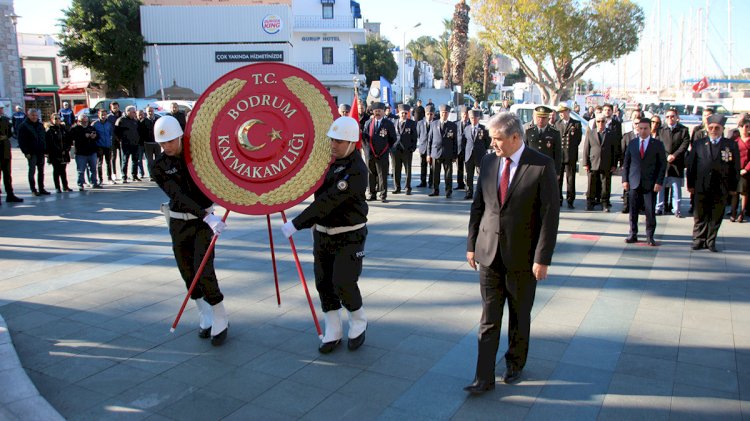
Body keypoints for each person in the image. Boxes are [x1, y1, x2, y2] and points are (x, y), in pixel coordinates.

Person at [464, 112, 560, 393]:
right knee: (489, 318)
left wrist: (542, 259)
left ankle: (515, 363)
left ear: (516, 137)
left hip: (523, 257)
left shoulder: (541, 165)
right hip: (489, 254)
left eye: (498, 139)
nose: (493, 144)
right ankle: (483, 377)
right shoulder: (489, 160)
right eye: (491, 138)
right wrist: (471, 245)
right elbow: (478, 206)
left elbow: (549, 217)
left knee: (519, 316)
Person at [281, 116, 369, 353]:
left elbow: (328, 202)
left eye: (339, 141)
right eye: (332, 140)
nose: (334, 145)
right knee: (323, 283)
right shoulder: (326, 162)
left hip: (349, 235)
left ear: (351, 142)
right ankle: (333, 328)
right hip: (322, 234)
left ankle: (358, 320)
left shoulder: (357, 171)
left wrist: (296, 223)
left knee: (344, 281)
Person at [152, 115, 229, 346]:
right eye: (162, 144)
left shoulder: (198, 155)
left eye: (171, 142)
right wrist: (205, 215)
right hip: (179, 221)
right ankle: (204, 313)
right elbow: (177, 195)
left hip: (203, 223)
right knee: (187, 270)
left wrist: (210, 214)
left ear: (180, 137)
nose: (167, 147)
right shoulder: (159, 165)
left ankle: (220, 315)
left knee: (203, 269)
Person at [687, 114, 739, 252]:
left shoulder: (730, 145)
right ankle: (698, 240)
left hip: (721, 187)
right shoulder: (699, 144)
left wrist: (734, 187)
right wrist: (690, 184)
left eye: (717, 127)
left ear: (722, 129)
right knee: (700, 215)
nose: (714, 130)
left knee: (716, 215)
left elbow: (735, 167)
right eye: (711, 127)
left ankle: (711, 241)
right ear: (707, 128)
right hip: (701, 185)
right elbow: (691, 165)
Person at [622, 117, 666, 246]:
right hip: (634, 182)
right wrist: (625, 180)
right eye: (640, 128)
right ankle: (633, 233)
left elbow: (662, 165)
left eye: (645, 128)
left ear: (650, 128)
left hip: (650, 183)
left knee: (650, 211)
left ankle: (649, 236)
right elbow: (626, 163)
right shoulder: (633, 143)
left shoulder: (657, 144)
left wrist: (659, 182)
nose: (643, 131)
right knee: (633, 210)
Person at [657, 108, 690, 217]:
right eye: (667, 117)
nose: (670, 119)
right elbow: (658, 145)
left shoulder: (683, 130)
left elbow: (685, 144)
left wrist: (674, 155)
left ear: (677, 117)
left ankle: (676, 209)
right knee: (661, 187)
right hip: (663, 162)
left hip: (677, 163)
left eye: (672, 116)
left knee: (676, 187)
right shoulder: (661, 130)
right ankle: (659, 207)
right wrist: (666, 156)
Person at [361, 102, 396, 202]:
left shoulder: (388, 124)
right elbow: (365, 137)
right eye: (376, 111)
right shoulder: (368, 123)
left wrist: (387, 148)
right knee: (371, 174)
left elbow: (392, 138)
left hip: (382, 153)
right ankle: (372, 194)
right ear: (373, 111)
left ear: (383, 112)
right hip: (370, 154)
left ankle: (383, 194)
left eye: (379, 111)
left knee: (382, 174)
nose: (377, 113)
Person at [583, 114, 617, 211]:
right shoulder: (591, 133)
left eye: (602, 121)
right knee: (591, 184)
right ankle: (590, 202)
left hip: (606, 163)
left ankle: (605, 203)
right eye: (598, 121)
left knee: (605, 184)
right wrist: (585, 163)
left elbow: (614, 150)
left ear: (606, 122)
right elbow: (586, 148)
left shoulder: (611, 133)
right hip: (593, 162)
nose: (600, 123)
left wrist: (614, 164)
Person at [427, 104, 458, 198]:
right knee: (435, 173)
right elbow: (430, 140)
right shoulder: (434, 124)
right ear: (440, 113)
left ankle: (448, 191)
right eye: (442, 113)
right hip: (435, 153)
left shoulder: (452, 125)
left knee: (448, 174)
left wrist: (454, 155)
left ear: (448, 114)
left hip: (448, 153)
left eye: (446, 113)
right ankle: (435, 190)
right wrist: (428, 154)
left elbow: (455, 141)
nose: (444, 114)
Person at [17, 109, 50, 196]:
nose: (35, 117)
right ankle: (33, 190)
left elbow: (44, 138)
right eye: (32, 115)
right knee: (32, 171)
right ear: (28, 115)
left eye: (36, 115)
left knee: (41, 171)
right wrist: (26, 152)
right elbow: (21, 141)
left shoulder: (40, 125)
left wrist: (46, 150)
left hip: (40, 151)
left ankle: (41, 188)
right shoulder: (23, 126)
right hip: (31, 152)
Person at [555, 103, 582, 208]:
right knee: (559, 179)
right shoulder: (557, 124)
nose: (561, 114)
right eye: (560, 112)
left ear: (568, 111)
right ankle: (559, 199)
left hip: (570, 154)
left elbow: (578, 139)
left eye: (563, 111)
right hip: (560, 155)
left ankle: (570, 200)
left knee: (570, 179)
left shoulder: (576, 124)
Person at [525, 106, 562, 181]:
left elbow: (558, 154)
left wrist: (557, 172)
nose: (541, 120)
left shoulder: (554, 133)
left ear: (548, 118)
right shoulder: (529, 132)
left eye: (544, 118)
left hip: (547, 169)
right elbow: (524, 152)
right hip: (532, 168)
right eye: (539, 117)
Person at [462, 109, 490, 200]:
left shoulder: (483, 129)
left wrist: (482, 150)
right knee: (468, 175)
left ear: (478, 118)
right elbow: (464, 141)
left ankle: (480, 193)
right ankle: (469, 192)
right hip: (469, 155)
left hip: (480, 155)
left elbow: (487, 142)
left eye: (475, 118)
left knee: (480, 175)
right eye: (471, 118)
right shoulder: (467, 128)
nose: (473, 120)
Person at [391, 104, 417, 195]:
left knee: (408, 170)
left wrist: (413, 148)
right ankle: (397, 187)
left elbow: (414, 136)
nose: (404, 115)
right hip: (395, 150)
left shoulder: (411, 123)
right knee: (396, 169)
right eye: (402, 113)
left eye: (405, 113)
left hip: (407, 150)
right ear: (399, 113)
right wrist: (391, 148)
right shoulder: (394, 122)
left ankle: (408, 188)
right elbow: (391, 136)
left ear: (408, 113)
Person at [70, 114, 100, 191]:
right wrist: (84, 136)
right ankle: (81, 184)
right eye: (82, 121)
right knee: (81, 170)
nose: (84, 123)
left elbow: (97, 136)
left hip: (91, 151)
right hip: (80, 153)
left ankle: (94, 182)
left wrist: (94, 136)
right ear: (78, 121)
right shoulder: (75, 129)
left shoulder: (91, 128)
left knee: (93, 169)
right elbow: (71, 137)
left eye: (86, 121)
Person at [0, 105, 23, 203]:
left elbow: (9, 133)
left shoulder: (5, 119)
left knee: (7, 174)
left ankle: (10, 194)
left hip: (5, 150)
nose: (1, 110)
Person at [45, 114, 73, 193]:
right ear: (51, 120)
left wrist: (66, 148)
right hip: (54, 153)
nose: (57, 120)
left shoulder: (63, 128)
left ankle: (65, 186)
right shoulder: (49, 130)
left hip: (64, 153)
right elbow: (49, 142)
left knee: (63, 170)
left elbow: (68, 139)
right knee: (56, 170)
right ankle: (57, 187)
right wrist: (55, 150)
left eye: (58, 118)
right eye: (55, 118)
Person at [730, 117, 750, 222]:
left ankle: (742, 213)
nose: (745, 129)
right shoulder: (735, 141)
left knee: (744, 192)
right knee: (734, 192)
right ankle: (733, 212)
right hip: (736, 169)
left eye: (747, 126)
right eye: (743, 126)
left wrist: (746, 169)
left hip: (746, 171)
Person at [115, 105, 141, 183]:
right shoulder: (121, 120)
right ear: (128, 112)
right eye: (133, 112)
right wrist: (120, 140)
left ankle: (134, 175)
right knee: (125, 160)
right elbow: (116, 132)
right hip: (125, 144)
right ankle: (124, 176)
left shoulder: (135, 120)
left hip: (135, 143)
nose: (135, 113)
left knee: (135, 160)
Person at [92, 109, 115, 184]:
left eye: (105, 114)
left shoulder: (109, 124)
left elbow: (111, 134)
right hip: (99, 146)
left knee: (109, 162)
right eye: (102, 114)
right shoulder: (95, 124)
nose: (103, 116)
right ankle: (100, 179)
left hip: (108, 145)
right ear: (98, 115)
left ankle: (109, 178)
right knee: (99, 163)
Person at [416, 104, 435, 188]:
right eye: (428, 114)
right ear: (425, 114)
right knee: (423, 165)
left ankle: (431, 182)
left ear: (433, 114)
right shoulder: (420, 123)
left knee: (432, 166)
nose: (429, 116)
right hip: (423, 147)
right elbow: (418, 134)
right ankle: (423, 181)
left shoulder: (435, 123)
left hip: (432, 148)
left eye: (431, 114)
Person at [142, 106, 160, 180]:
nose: (150, 112)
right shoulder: (143, 121)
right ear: (146, 112)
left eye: (151, 111)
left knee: (158, 160)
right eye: (149, 111)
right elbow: (141, 133)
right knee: (149, 161)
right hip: (147, 143)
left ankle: (158, 174)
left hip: (157, 143)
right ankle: (151, 175)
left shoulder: (158, 120)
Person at [455, 106, 470, 190]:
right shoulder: (455, 124)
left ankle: (468, 184)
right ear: (461, 114)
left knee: (468, 168)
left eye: (466, 114)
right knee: (459, 168)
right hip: (458, 149)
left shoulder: (470, 124)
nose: (465, 116)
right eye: (464, 114)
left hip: (467, 150)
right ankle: (460, 183)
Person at [107, 102, 123, 182]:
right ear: (111, 108)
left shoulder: (122, 115)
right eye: (114, 108)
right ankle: (114, 173)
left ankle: (122, 172)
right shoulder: (109, 117)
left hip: (121, 138)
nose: (115, 109)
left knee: (122, 156)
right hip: (113, 139)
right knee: (113, 157)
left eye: (116, 107)